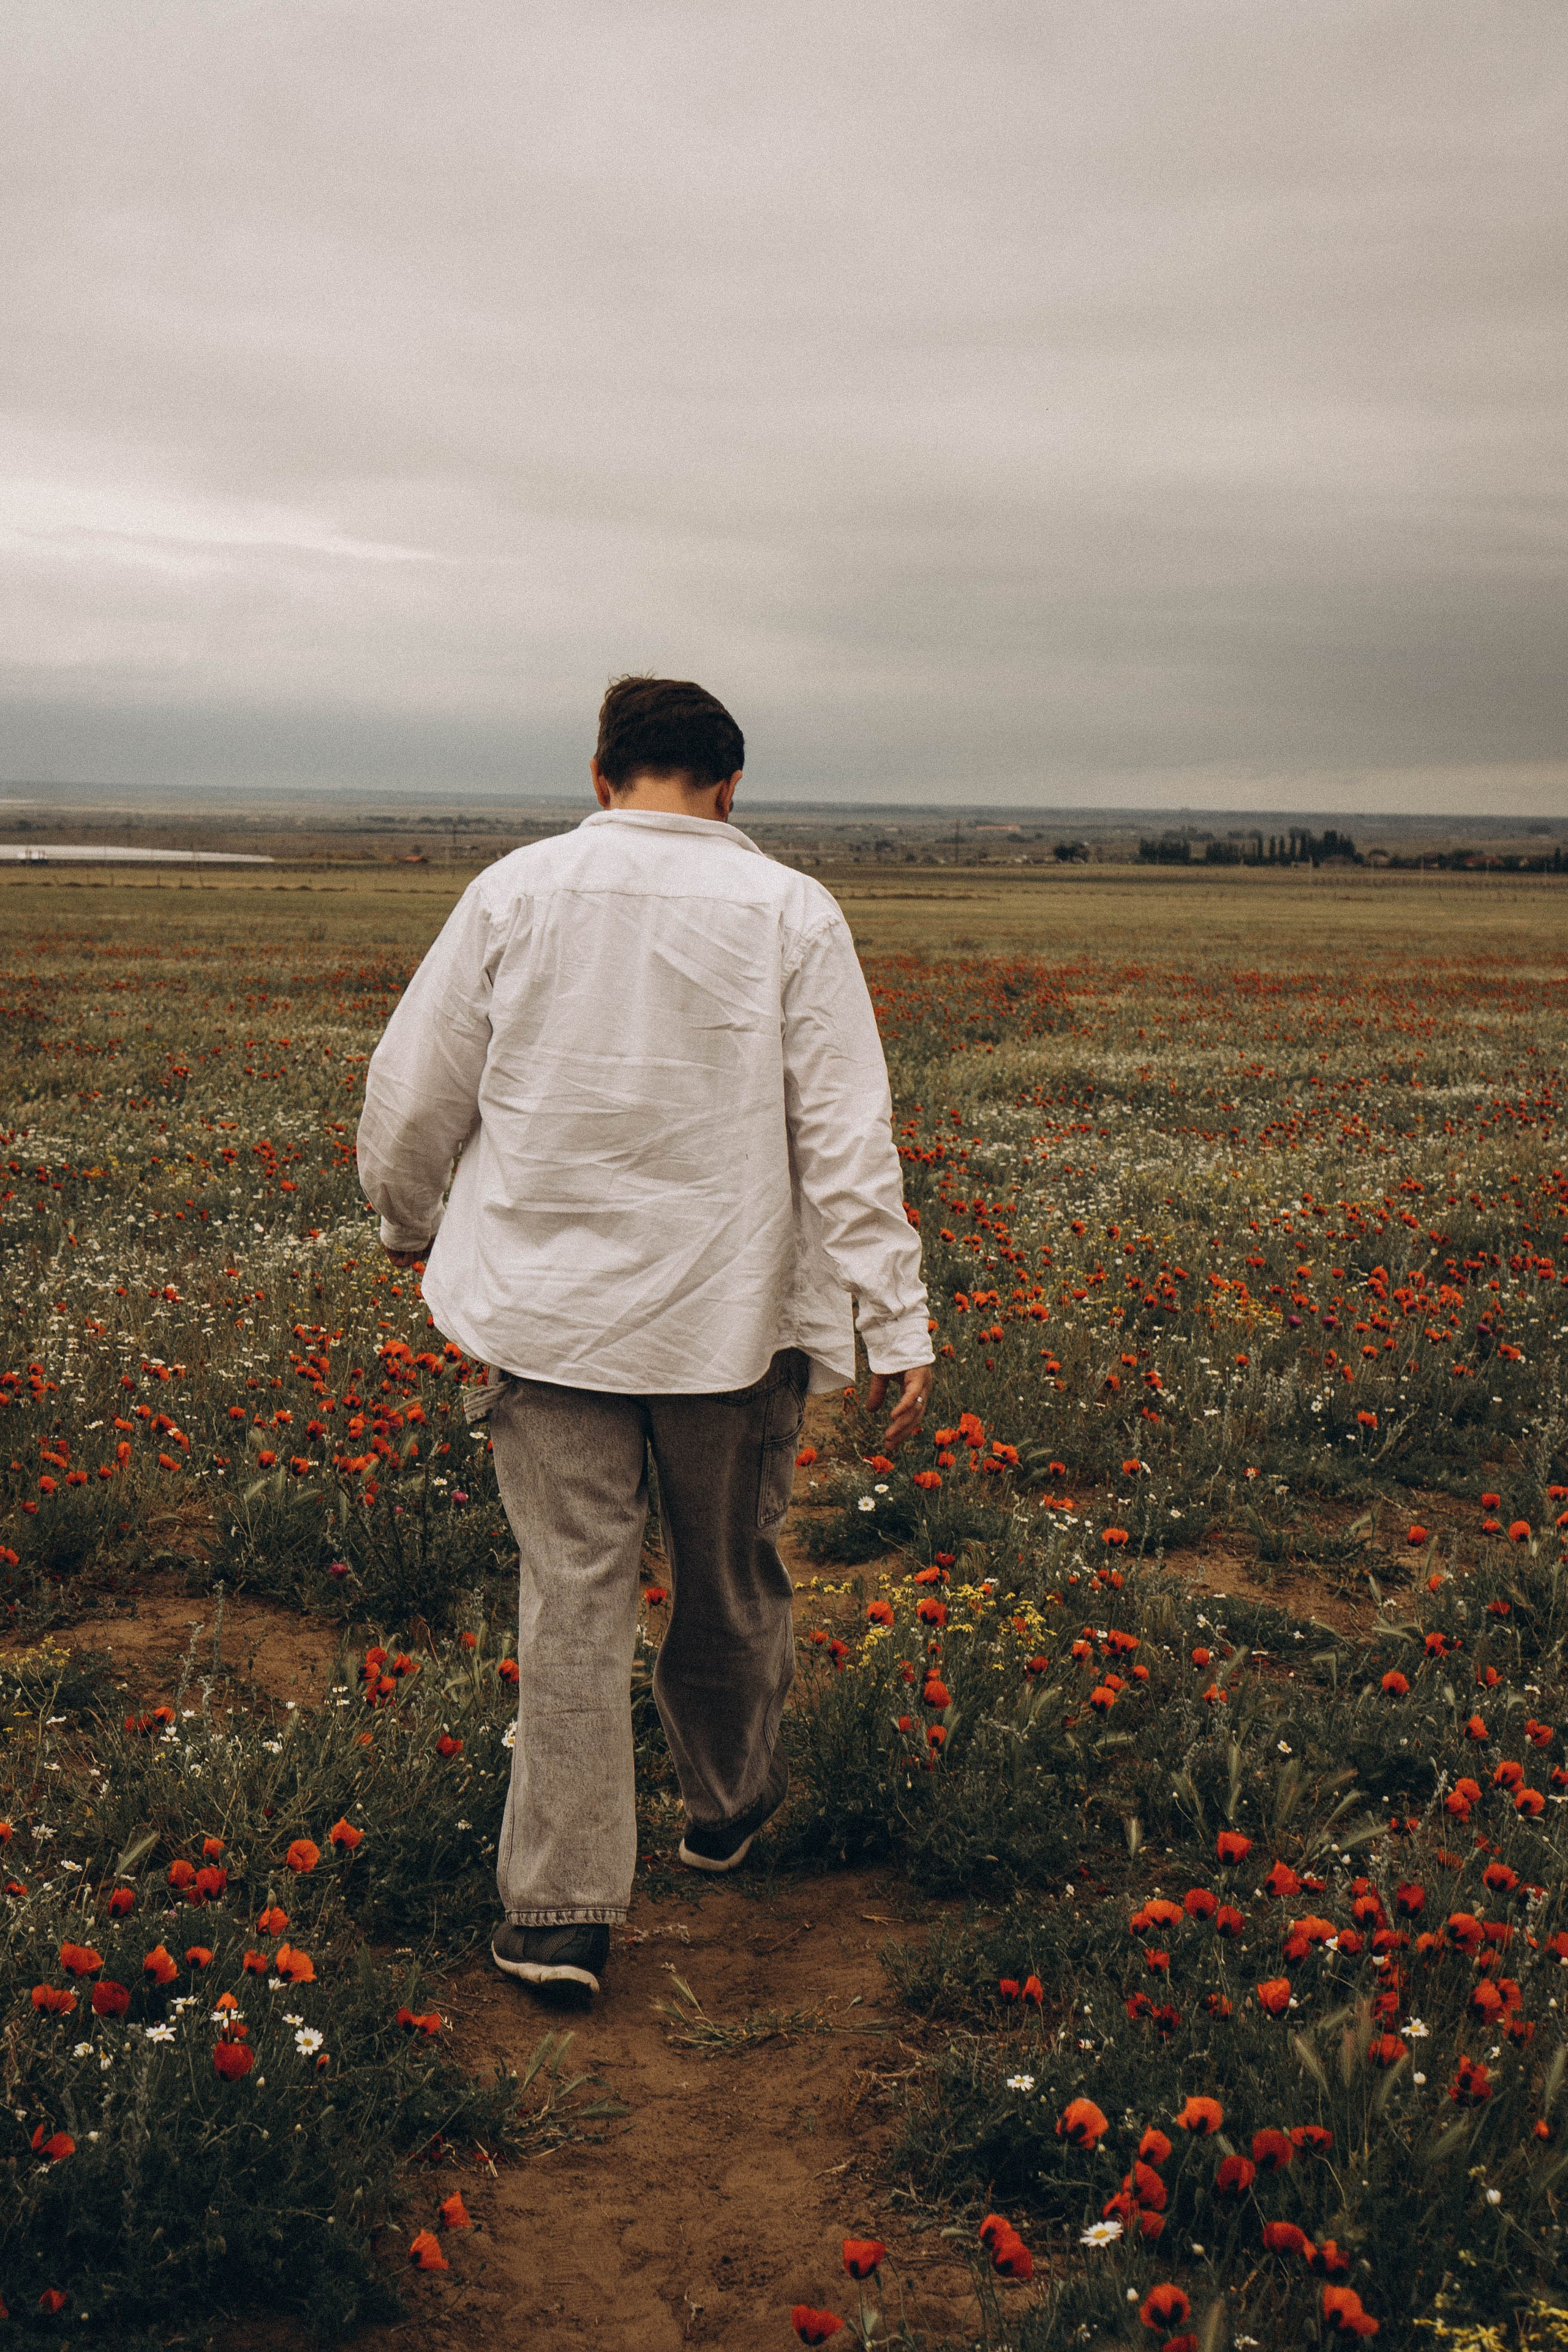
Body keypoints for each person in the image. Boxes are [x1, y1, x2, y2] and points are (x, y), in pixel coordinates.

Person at [356, 676, 933, 2000]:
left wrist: (410, 1225)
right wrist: (890, 1317)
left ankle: (559, 1916)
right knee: (727, 1571)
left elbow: (412, 1091)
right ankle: (725, 1806)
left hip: (546, 1317)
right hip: (731, 1322)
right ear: (730, 787)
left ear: (602, 770)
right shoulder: (793, 909)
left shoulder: (512, 891)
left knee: (571, 1594)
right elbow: (845, 1135)